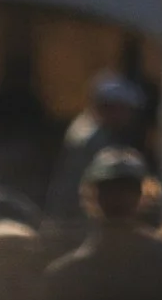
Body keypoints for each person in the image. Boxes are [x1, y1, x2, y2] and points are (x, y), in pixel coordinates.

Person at [39, 147, 162, 300]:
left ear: (145, 192)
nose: (118, 197)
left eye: (128, 188)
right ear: (91, 194)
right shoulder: (66, 276)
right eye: (108, 189)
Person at [45, 72, 151, 221]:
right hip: (76, 219)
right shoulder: (90, 139)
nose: (128, 117)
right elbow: (79, 186)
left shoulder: (95, 129)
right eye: (124, 109)